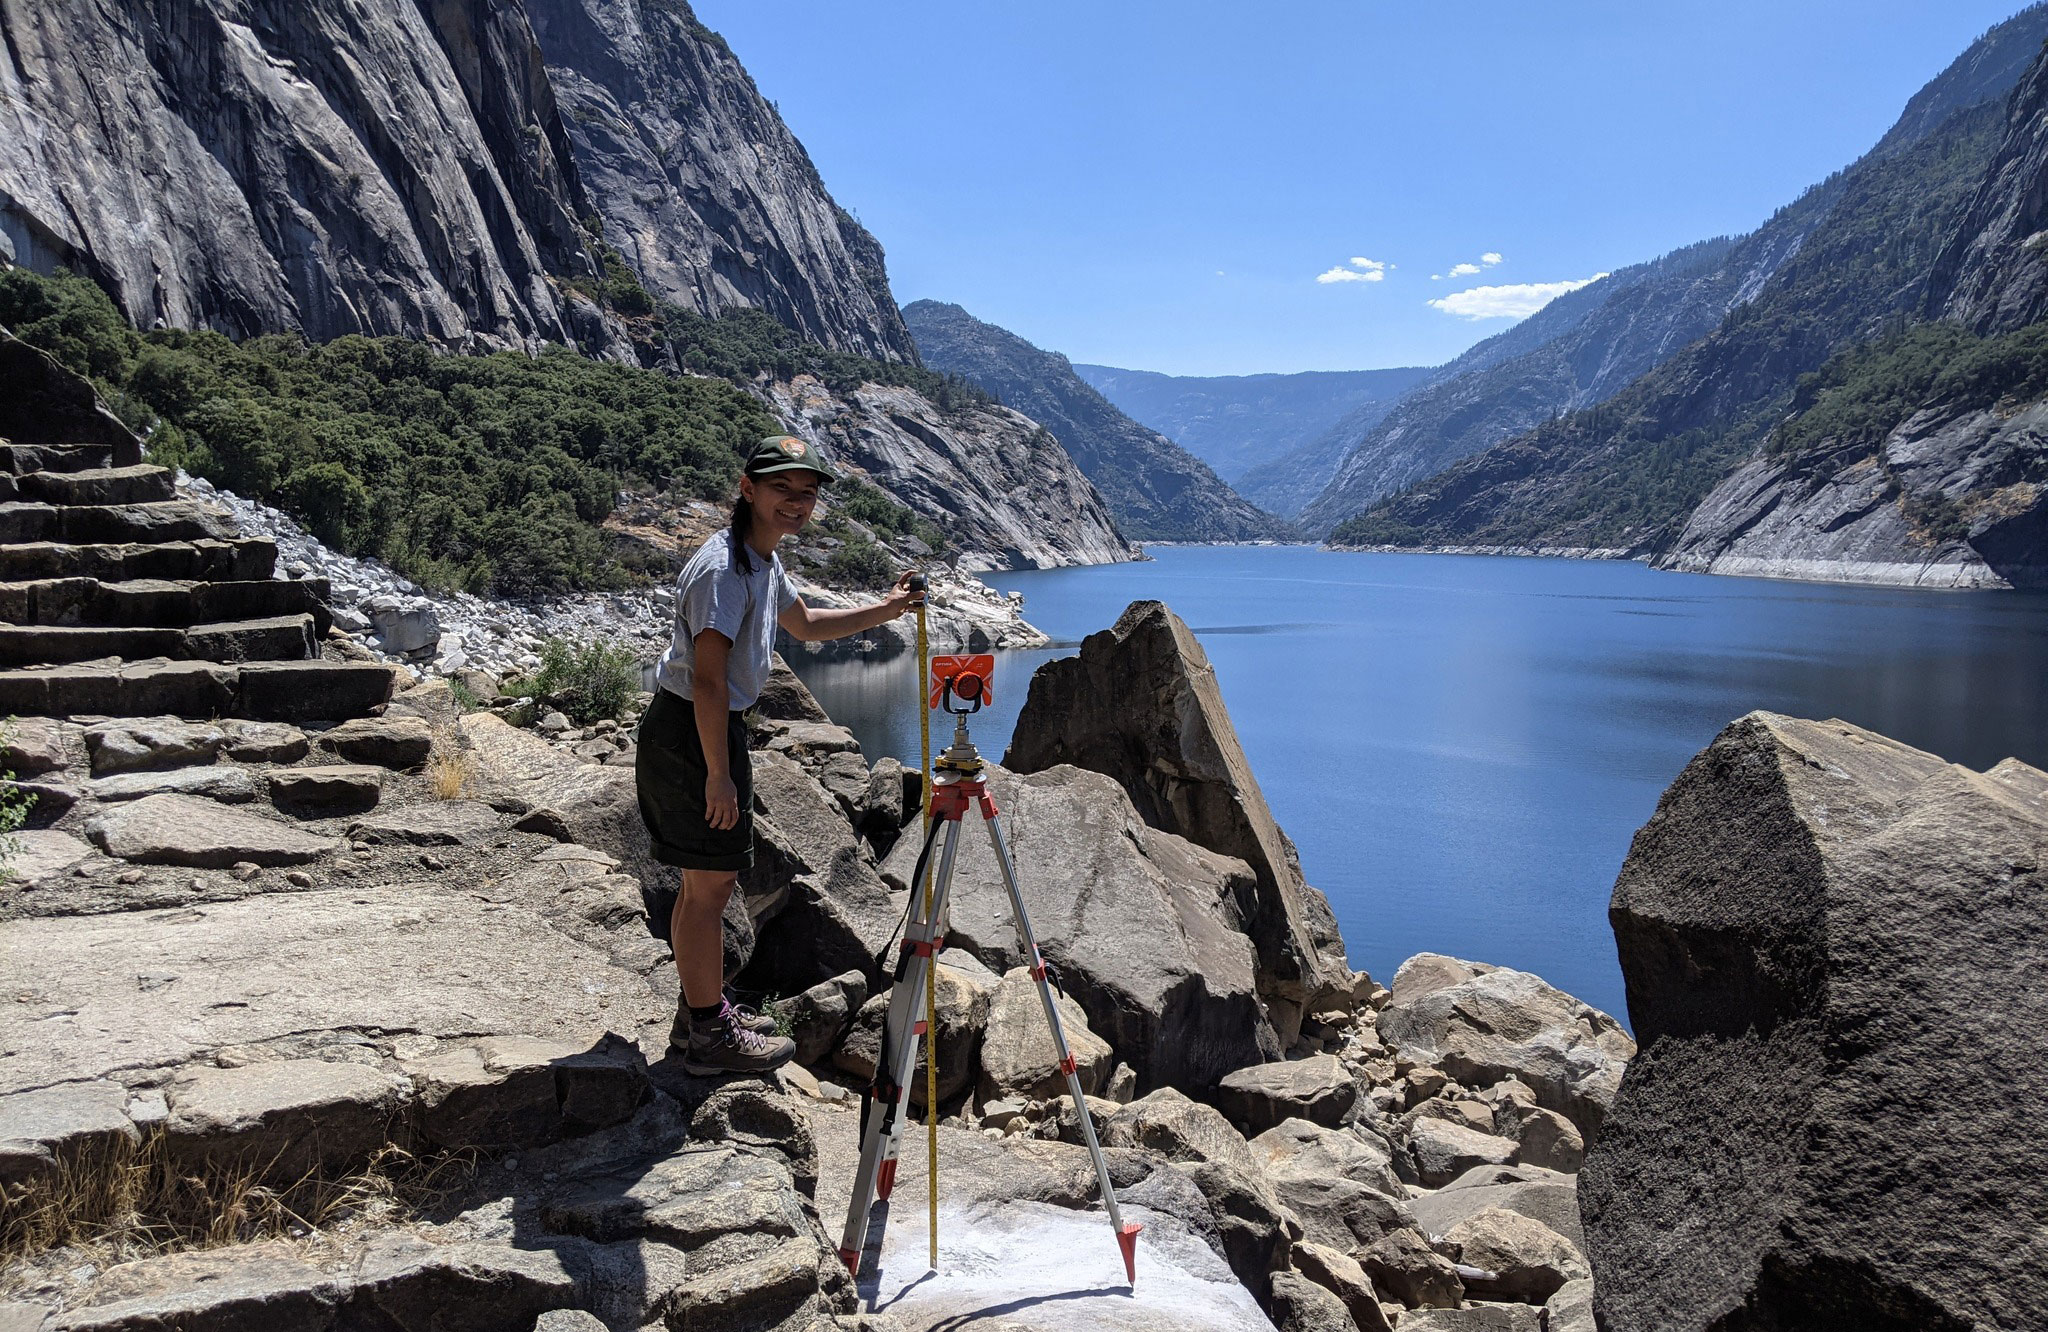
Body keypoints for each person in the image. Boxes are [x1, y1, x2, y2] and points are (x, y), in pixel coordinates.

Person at [638, 434, 923, 1074]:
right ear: (748, 488)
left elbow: (807, 626)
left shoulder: (760, 559)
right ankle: (710, 1038)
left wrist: (888, 608)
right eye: (781, 489)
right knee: (710, 890)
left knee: (700, 886)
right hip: (693, 731)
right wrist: (717, 774)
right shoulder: (724, 571)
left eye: (807, 492)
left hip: (702, 728)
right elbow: (708, 679)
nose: (796, 503)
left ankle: (698, 1014)